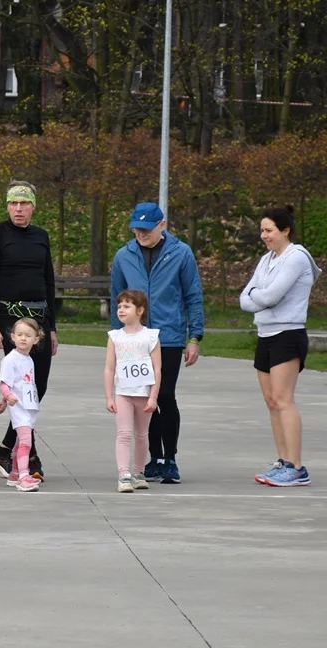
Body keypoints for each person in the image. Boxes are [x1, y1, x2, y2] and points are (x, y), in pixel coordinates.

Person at [110, 202, 204, 484]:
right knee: (141, 400)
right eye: (137, 229)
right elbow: (116, 297)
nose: (141, 234)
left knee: (164, 396)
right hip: (134, 339)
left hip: (169, 337)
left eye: (147, 229)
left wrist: (194, 337)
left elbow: (192, 295)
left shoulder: (181, 253)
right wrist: (117, 339)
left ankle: (170, 459)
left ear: (161, 225)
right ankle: (153, 459)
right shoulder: (123, 256)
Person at [0, 181, 57, 482]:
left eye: (24, 204)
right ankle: (30, 456)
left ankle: (5, 449)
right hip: (10, 320)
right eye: (13, 204)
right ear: (7, 206)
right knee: (21, 385)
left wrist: (52, 328)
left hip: (40, 319)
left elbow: (48, 281)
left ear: (33, 207)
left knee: (39, 387)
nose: (18, 209)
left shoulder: (41, 237)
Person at [240, 207, 322, 488]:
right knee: (271, 401)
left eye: (269, 230)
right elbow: (244, 298)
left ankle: (297, 468)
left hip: (288, 334)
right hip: (265, 334)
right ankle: (283, 461)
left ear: (285, 230)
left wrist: (257, 296)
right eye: (262, 230)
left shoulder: (297, 257)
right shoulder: (266, 259)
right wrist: (257, 297)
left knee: (284, 399)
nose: (264, 236)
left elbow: (273, 296)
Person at [104, 289, 161, 493]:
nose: (121, 310)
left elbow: (157, 369)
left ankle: (139, 472)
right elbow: (110, 368)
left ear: (140, 310)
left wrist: (153, 396)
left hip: (143, 393)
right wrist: (109, 396)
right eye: (119, 306)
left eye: (126, 306)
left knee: (142, 435)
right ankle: (123, 474)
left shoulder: (151, 337)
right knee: (124, 433)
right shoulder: (115, 337)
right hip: (123, 393)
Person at [0, 318, 43, 492]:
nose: (23, 338)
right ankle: (24, 475)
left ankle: (14, 473)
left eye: (28, 335)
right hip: (19, 408)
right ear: (13, 337)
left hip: (28, 406)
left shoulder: (28, 360)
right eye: (20, 334)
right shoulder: (10, 359)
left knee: (19, 441)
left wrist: (3, 401)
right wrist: (7, 397)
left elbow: (17, 383)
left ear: (36, 339)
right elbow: (3, 383)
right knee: (25, 441)